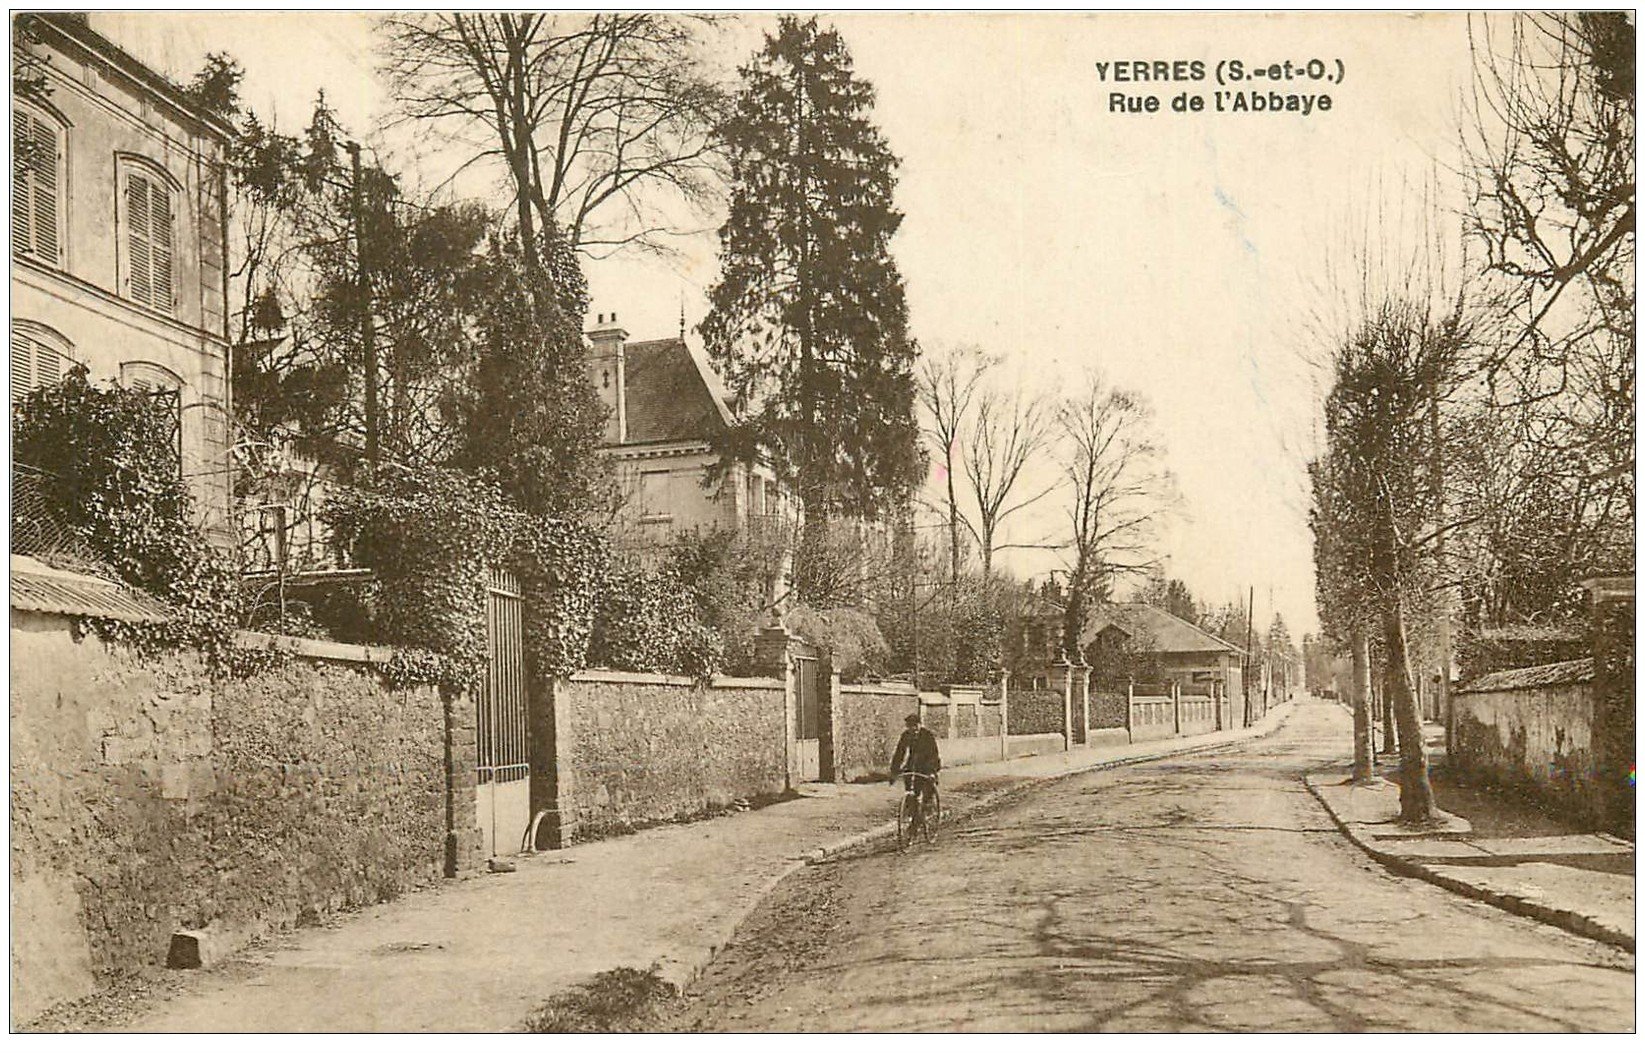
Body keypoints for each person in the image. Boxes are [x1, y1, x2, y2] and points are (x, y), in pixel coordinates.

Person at [889, 712, 941, 809]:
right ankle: (911, 812)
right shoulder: (906, 736)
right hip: (913, 764)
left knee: (926, 790)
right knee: (910, 790)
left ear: (920, 725)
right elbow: (899, 753)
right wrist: (894, 771)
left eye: (915, 725)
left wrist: (932, 771)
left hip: (927, 765)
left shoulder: (927, 735)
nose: (913, 729)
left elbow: (934, 754)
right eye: (910, 726)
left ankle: (927, 807)